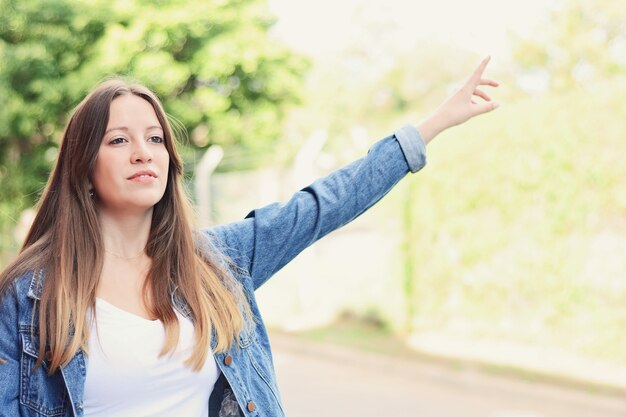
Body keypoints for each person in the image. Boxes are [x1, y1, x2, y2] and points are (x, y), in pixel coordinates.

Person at [0, 56, 499, 417]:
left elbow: (322, 206)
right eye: (118, 140)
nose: (142, 152)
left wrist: (431, 126)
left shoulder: (217, 262)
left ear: (170, 162)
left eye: (154, 138)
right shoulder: (30, 294)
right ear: (84, 169)